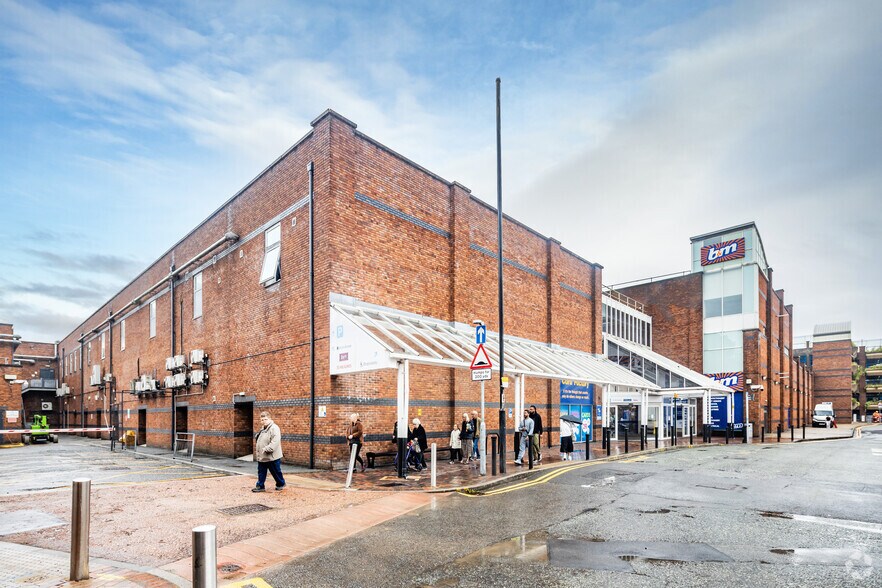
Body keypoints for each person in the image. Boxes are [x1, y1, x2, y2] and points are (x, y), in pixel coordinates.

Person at [253, 411, 285, 492]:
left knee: (276, 472)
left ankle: (280, 483)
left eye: (265, 419)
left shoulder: (274, 428)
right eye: (262, 420)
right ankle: (260, 486)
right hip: (262, 456)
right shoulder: (262, 429)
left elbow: (275, 442)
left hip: (272, 456)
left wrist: (267, 449)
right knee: (261, 472)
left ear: (270, 419)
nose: (264, 421)